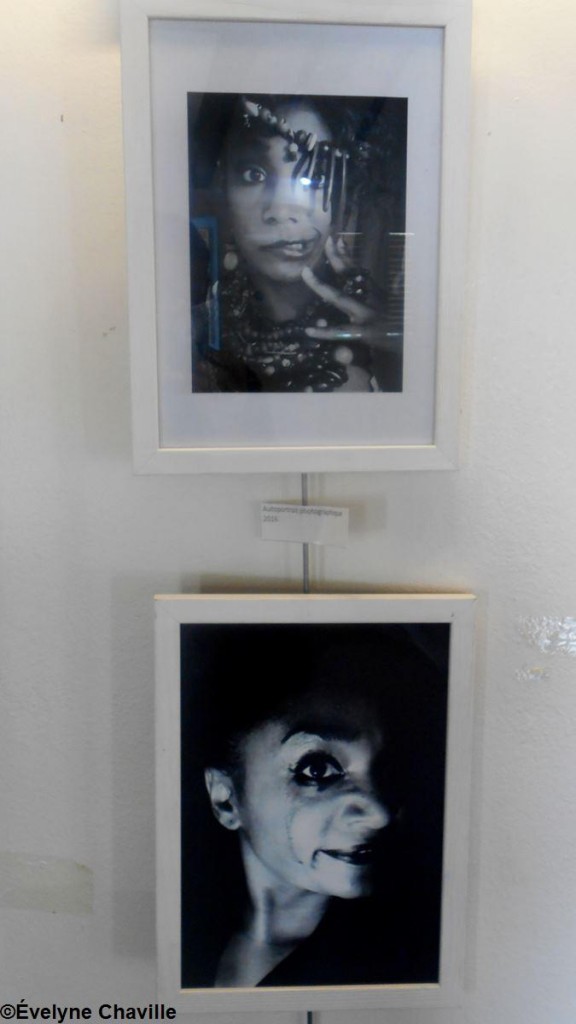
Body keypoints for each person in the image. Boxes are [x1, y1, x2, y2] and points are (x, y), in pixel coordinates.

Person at [180, 623, 448, 988]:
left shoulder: (410, 962)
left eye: (387, 767)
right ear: (225, 799)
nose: (380, 813)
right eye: (317, 769)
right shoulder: (188, 929)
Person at [188, 93, 407, 392]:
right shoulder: (194, 336)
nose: (282, 210)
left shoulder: (387, 345)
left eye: (317, 178)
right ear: (224, 189)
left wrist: (404, 353)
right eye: (254, 174)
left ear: (346, 194)